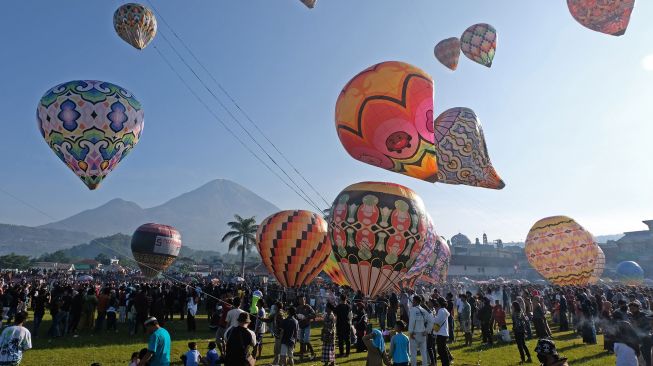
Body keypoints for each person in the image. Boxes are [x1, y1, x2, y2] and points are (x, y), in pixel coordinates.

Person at [408, 295, 432, 366]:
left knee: (413, 353)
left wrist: (410, 332)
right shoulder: (424, 310)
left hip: (415, 333)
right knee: (423, 352)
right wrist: (427, 331)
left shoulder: (413, 310)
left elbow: (412, 321)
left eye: (413, 300)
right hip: (423, 333)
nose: (412, 302)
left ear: (415, 301)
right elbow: (431, 321)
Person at [628, 300, 652, 366]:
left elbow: (649, 323)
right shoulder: (631, 315)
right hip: (637, 337)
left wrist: (636, 324)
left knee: (647, 354)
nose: (631, 310)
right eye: (630, 309)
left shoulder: (643, 314)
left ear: (638, 308)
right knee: (640, 354)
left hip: (646, 336)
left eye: (633, 308)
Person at [296, 296, 317, 361]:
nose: (301, 301)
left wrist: (307, 317)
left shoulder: (308, 307)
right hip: (300, 326)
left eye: (302, 300)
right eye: (299, 300)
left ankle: (313, 353)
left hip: (307, 325)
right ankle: (301, 354)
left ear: (305, 300)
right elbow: (295, 315)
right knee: (301, 340)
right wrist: (297, 317)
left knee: (306, 340)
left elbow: (314, 314)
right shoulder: (298, 308)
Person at [432, 298, 451, 366]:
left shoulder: (441, 310)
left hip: (441, 333)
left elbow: (437, 321)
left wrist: (433, 316)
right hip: (443, 332)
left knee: (441, 351)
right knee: (442, 350)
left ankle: (445, 364)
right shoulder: (444, 310)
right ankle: (445, 363)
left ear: (439, 303)